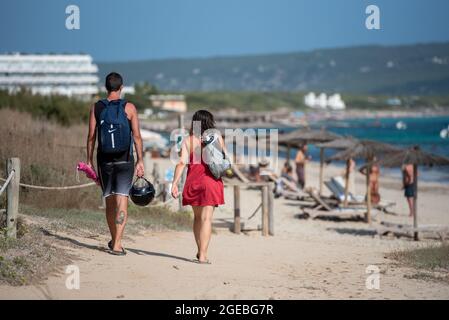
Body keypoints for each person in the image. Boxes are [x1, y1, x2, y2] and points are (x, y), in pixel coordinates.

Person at [86, 72, 144, 256]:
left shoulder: (97, 107)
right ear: (121, 88)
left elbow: (91, 136)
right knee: (122, 201)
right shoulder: (129, 107)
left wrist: (89, 160)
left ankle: (114, 239)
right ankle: (117, 244)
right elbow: (136, 136)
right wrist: (141, 160)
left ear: (105, 87)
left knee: (110, 201)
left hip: (104, 160)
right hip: (125, 160)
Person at [171, 110, 225, 264]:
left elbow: (181, 163)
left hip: (193, 182)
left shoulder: (188, 140)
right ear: (210, 122)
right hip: (211, 182)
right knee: (207, 219)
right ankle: (203, 255)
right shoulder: (217, 137)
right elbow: (225, 159)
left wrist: (174, 183)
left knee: (197, 218)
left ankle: (199, 250)